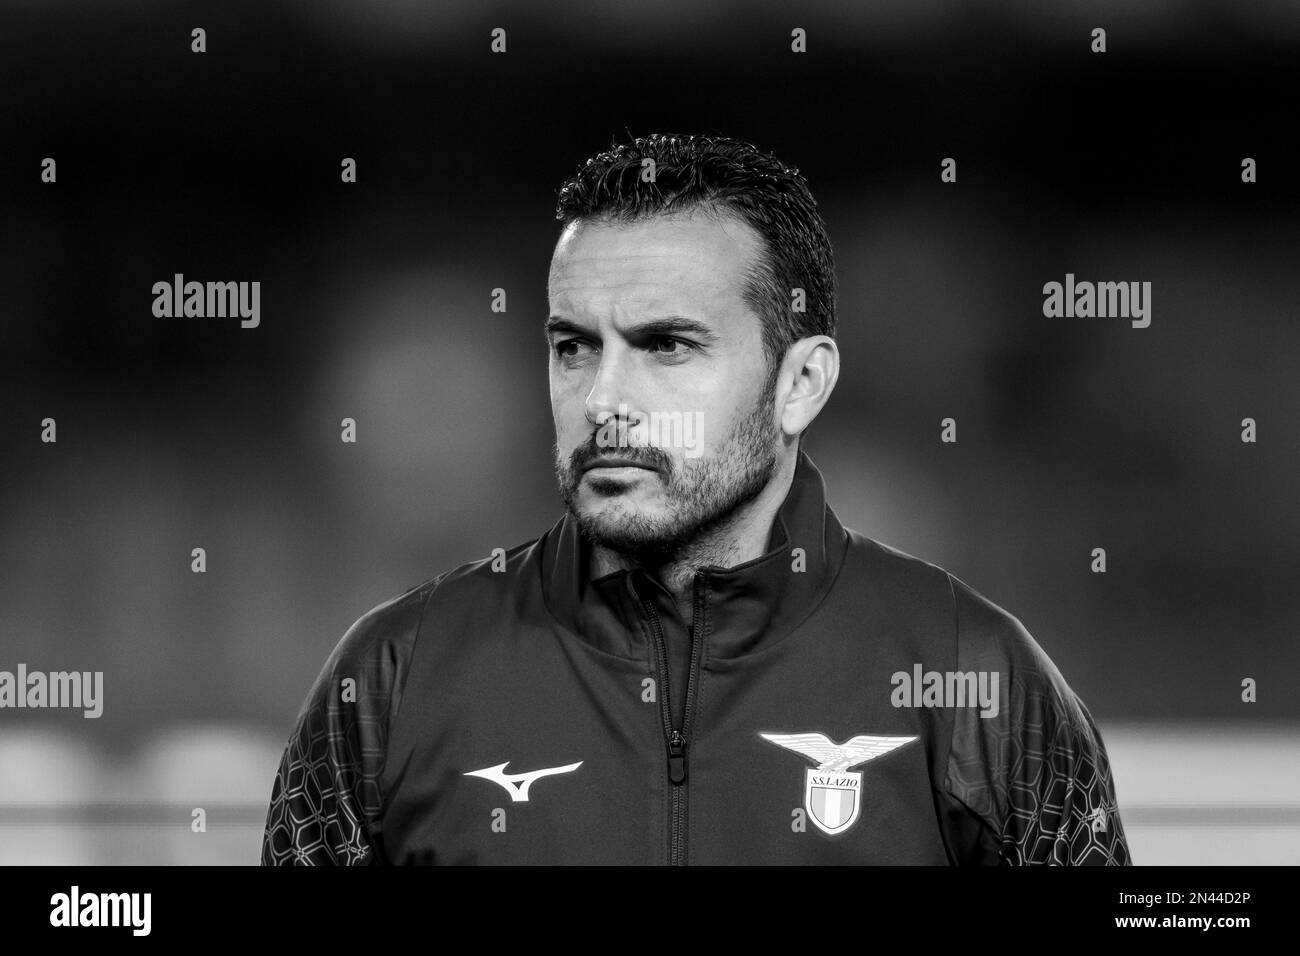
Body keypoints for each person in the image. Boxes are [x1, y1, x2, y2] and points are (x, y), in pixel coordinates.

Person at [260, 133, 1131, 865]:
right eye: (573, 347)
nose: (605, 398)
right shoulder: (392, 678)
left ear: (801, 383)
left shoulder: (974, 680)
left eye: (666, 345)